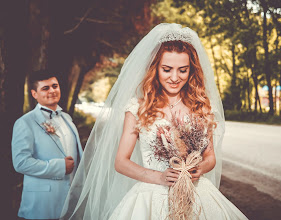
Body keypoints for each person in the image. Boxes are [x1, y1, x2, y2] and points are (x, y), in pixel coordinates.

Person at [61, 23, 248, 219]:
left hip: (198, 193)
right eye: (167, 69)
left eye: (183, 70)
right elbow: (121, 162)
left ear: (191, 71)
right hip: (152, 195)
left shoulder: (202, 106)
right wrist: (158, 176)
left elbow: (210, 156)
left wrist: (200, 168)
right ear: (155, 68)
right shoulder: (138, 108)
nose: (175, 77)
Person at [12, 70, 83, 220]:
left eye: (55, 86)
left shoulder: (67, 118)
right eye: (45, 88)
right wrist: (60, 167)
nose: (52, 91)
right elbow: (21, 163)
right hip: (42, 203)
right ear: (34, 94)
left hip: (71, 200)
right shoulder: (25, 122)